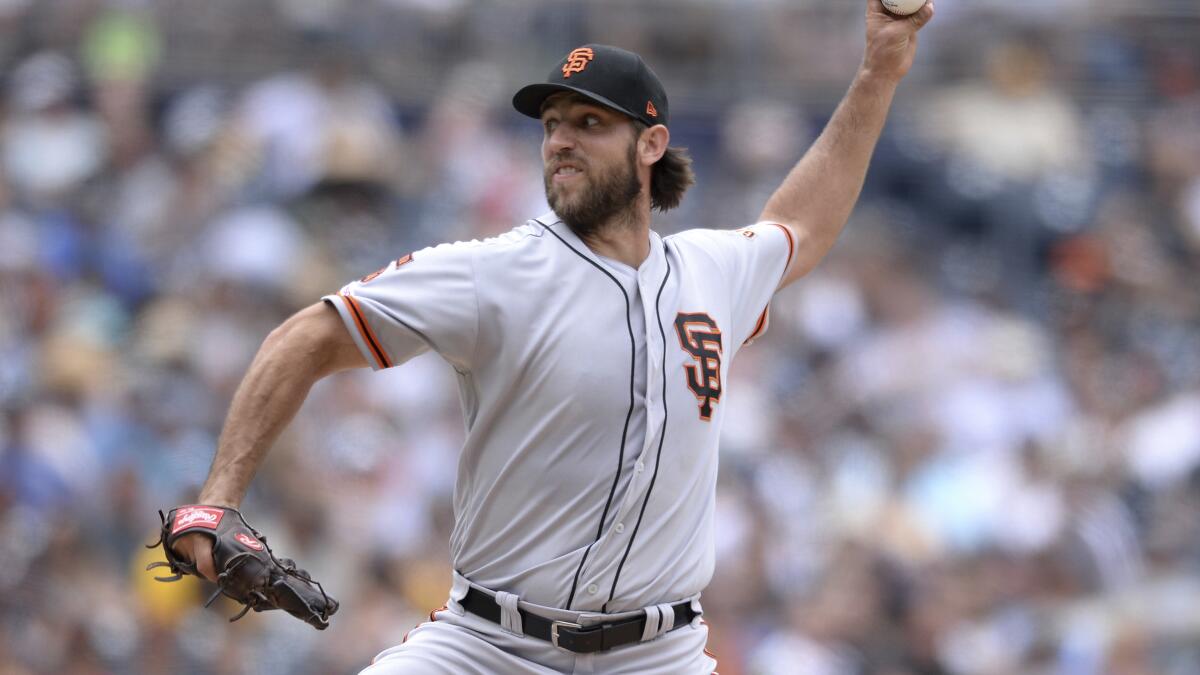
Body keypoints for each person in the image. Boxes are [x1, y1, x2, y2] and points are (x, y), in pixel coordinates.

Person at [168, 2, 935, 672]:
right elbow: (304, 337)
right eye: (552, 123)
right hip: (489, 645)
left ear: (651, 144)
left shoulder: (712, 270)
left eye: (590, 123)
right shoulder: (491, 272)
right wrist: (219, 498)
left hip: (658, 654)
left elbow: (800, 223)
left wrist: (879, 72)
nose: (561, 140)